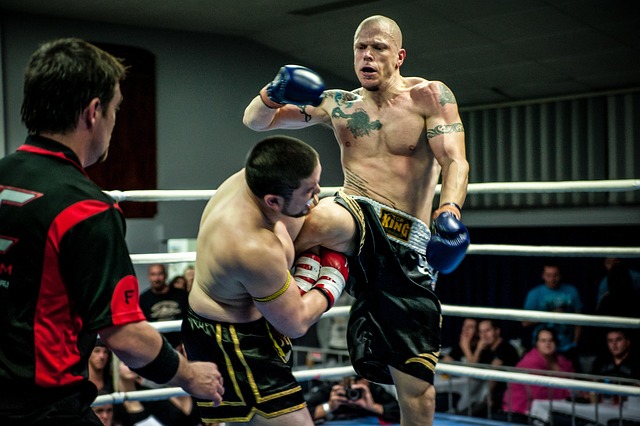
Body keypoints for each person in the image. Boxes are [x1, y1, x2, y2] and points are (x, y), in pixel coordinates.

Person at [243, 15, 470, 425]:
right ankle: (251, 312)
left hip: (405, 240)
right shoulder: (339, 103)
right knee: (309, 220)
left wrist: (450, 212)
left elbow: (455, 160)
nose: (367, 55)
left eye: (378, 48)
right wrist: (273, 94)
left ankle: (293, 284)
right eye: (360, 48)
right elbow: (255, 121)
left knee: (417, 389)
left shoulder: (429, 96)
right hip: (355, 210)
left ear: (399, 56)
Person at [0, 38, 223, 425]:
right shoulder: (85, 209)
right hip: (43, 408)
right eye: (115, 109)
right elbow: (125, 335)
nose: (114, 122)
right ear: (93, 112)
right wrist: (190, 375)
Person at [181, 135, 349, 425]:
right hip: (232, 343)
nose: (318, 194)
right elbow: (295, 324)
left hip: (251, 317)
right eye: (309, 191)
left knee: (330, 221)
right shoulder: (252, 246)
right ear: (273, 201)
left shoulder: (256, 179)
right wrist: (334, 278)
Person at [502, 327, 574, 421]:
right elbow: (538, 393)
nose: (547, 344)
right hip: (521, 410)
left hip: (550, 405)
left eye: (551, 340)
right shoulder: (530, 361)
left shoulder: (561, 360)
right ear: (536, 343)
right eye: (543, 341)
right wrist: (568, 392)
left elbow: (572, 379)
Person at [522, 263, 583, 362]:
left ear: (560, 275)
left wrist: (575, 343)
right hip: (542, 348)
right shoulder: (534, 293)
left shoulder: (572, 291)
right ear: (543, 276)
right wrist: (550, 315)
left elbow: (579, 320)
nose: (552, 279)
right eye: (548, 275)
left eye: (555, 275)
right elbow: (525, 322)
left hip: (567, 346)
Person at [470, 319, 521, 417]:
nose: (484, 335)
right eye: (481, 332)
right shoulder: (485, 349)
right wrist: (478, 350)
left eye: (487, 331)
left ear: (497, 331)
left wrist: (488, 394)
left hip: (505, 394)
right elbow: (471, 370)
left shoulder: (505, 348)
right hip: (485, 392)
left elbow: (493, 373)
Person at [305, 375, 400, 423]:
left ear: (367, 383)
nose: (353, 393)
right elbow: (303, 414)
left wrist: (373, 407)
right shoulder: (332, 389)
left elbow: (401, 413)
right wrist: (329, 407)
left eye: (359, 389)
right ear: (342, 382)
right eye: (350, 388)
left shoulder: (373, 390)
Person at [139, 264, 188, 348]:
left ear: (166, 275)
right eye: (153, 274)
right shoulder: (143, 299)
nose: (156, 278)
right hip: (156, 345)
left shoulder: (181, 295)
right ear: (149, 277)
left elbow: (190, 320)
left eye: (160, 274)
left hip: (181, 343)